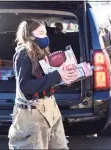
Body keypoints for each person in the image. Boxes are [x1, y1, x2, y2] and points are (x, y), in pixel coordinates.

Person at [8, 19, 78, 149]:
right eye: (41, 33)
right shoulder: (24, 53)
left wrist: (64, 78)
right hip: (32, 113)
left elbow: (47, 79)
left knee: (60, 146)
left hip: (51, 107)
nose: (45, 37)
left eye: (45, 33)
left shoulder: (43, 51)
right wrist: (57, 75)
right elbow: (26, 87)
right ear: (29, 35)